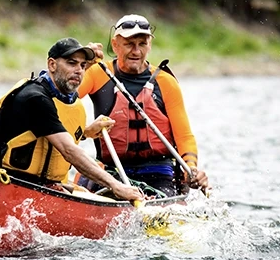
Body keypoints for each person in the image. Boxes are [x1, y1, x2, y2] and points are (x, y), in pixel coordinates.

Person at [0, 37, 144, 202]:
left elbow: (49, 130)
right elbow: (69, 150)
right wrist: (116, 186)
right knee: (111, 192)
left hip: (45, 186)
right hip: (11, 184)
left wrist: (86, 132)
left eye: (83, 66)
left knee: (95, 196)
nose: (79, 71)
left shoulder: (63, 95)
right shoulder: (34, 98)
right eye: (71, 63)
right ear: (52, 65)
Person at [77, 14, 210, 197]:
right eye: (129, 44)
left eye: (142, 44)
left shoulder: (165, 82)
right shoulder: (97, 74)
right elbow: (62, 99)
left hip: (158, 171)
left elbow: (184, 136)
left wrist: (191, 169)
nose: (136, 51)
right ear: (115, 45)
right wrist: (80, 65)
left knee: (160, 201)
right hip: (110, 171)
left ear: (150, 46)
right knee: (83, 187)